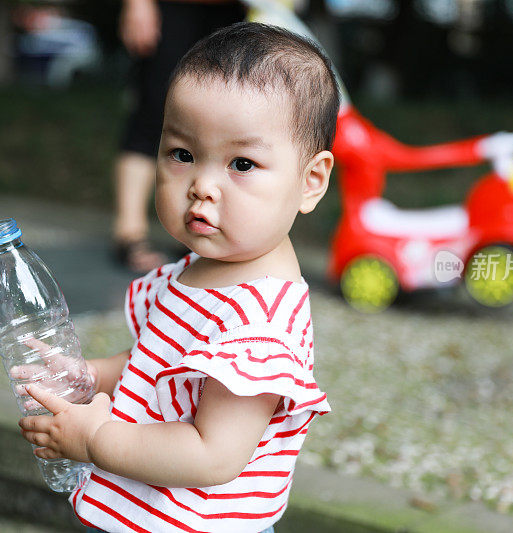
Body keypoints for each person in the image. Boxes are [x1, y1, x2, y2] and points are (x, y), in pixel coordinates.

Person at [18, 21, 339, 532]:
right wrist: (90, 375)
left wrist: (95, 439)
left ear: (311, 181)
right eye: (182, 155)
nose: (202, 186)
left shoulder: (259, 322)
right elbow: (156, 361)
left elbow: (213, 454)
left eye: (242, 163)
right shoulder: (201, 271)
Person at [113, 0, 245, 272]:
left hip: (236, 10)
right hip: (173, 8)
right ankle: (129, 233)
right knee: (153, 114)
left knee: (220, 121)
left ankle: (201, 229)